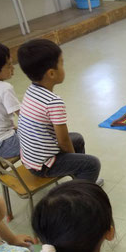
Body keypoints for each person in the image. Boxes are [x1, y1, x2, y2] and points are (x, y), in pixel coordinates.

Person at [16, 39, 103, 186]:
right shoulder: (53, 102)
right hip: (43, 165)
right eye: (61, 63)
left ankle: (80, 179)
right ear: (51, 73)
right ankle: (79, 194)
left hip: (30, 159)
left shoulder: (31, 91)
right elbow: (63, 142)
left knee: (77, 139)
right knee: (92, 164)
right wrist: (74, 158)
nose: (64, 67)